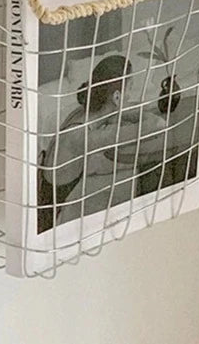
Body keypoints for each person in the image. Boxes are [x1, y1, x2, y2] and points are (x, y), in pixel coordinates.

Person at [41, 55, 171, 226]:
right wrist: (122, 110)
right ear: (116, 97)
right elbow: (158, 124)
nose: (129, 95)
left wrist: (119, 109)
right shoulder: (84, 136)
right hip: (45, 219)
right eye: (129, 89)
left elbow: (123, 112)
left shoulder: (83, 113)